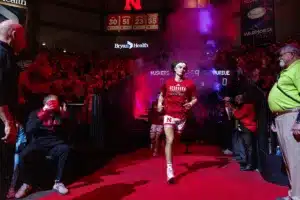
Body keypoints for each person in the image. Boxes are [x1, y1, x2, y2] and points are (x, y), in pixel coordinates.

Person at [15, 95, 70, 198]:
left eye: (55, 103)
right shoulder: (35, 113)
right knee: (23, 155)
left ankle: (58, 182)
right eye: (51, 103)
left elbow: (68, 132)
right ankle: (27, 183)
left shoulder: (59, 114)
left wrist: (65, 117)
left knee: (65, 149)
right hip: (38, 144)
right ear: (45, 104)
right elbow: (29, 130)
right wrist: (42, 114)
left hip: (55, 144)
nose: (53, 105)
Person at [268, 44, 300, 200]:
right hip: (283, 117)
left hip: (292, 117)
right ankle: (293, 193)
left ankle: (297, 196)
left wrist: (299, 122)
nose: (280, 57)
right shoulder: (286, 71)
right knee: (288, 158)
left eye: (282, 54)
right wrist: (277, 117)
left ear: (293, 54)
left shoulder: (298, 68)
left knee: (295, 158)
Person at [158, 61, 197, 183]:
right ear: (174, 69)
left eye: (185, 68)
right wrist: (159, 104)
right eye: (180, 67)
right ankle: (169, 170)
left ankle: (169, 149)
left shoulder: (189, 84)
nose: (182, 69)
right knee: (170, 139)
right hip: (169, 115)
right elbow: (161, 95)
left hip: (181, 116)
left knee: (176, 141)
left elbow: (195, 98)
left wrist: (190, 103)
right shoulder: (167, 83)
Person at [0, 20, 26, 199]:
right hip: (2, 123)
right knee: (2, 169)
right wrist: (8, 121)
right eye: (23, 37)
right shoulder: (2, 55)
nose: (25, 42)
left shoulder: (7, 54)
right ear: (14, 35)